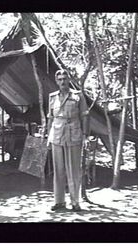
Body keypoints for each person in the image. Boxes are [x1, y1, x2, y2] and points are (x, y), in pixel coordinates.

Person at [47, 69, 89, 212]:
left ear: (69, 79)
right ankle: (59, 201)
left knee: (74, 170)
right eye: (59, 79)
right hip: (57, 134)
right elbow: (50, 118)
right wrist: (48, 136)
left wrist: (85, 135)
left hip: (74, 133)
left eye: (65, 78)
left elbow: (85, 116)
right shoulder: (52, 97)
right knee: (58, 170)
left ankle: (75, 202)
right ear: (56, 81)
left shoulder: (78, 96)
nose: (62, 82)